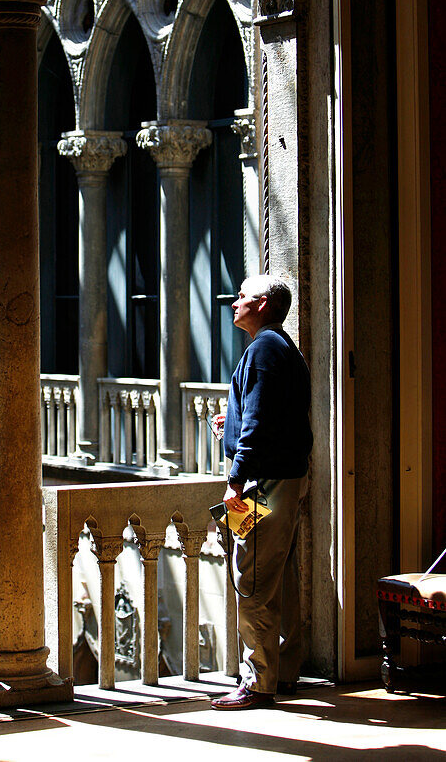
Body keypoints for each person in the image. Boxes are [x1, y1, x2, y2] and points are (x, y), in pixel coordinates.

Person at [210, 275, 313, 711]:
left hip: (263, 483)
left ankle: (257, 683)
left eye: (242, 296)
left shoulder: (265, 348)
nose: (234, 302)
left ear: (264, 303)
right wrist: (229, 421)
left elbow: (258, 423)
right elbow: (265, 413)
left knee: (250, 578)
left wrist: (236, 478)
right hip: (280, 477)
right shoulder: (280, 347)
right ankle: (282, 672)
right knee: (276, 576)